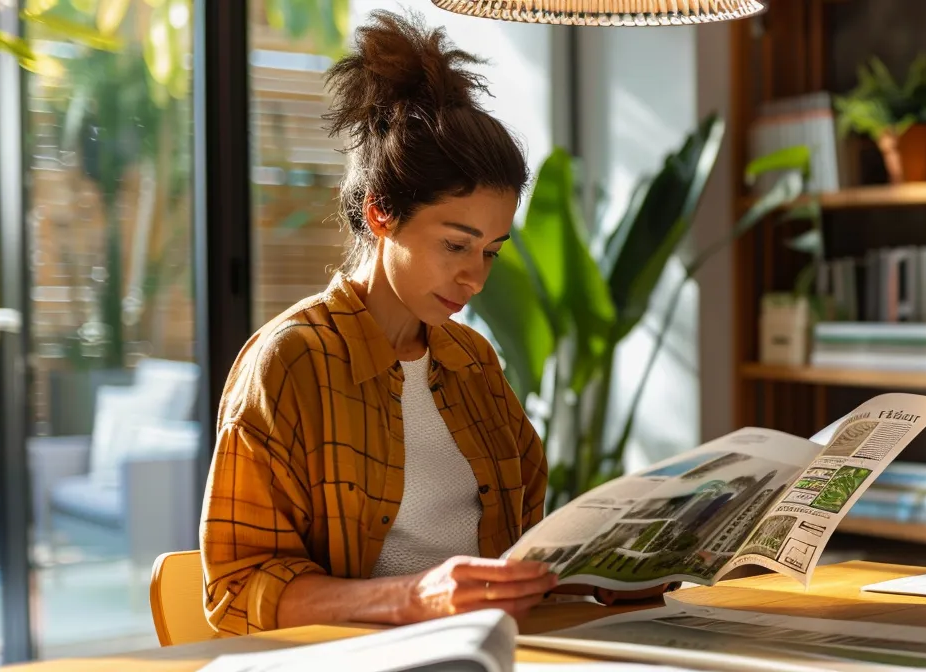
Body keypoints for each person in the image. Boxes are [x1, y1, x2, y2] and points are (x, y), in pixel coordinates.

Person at [200, 10, 655, 636]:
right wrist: (414, 598)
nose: (477, 278)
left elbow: (519, 555)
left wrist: (612, 572)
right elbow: (234, 588)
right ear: (381, 213)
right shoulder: (290, 363)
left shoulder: (473, 362)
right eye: (456, 244)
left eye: (491, 251)